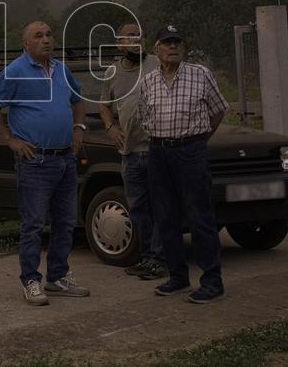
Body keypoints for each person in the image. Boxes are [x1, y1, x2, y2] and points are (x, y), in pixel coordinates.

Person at [0, 21, 91, 306]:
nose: (46, 40)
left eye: (49, 35)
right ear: (25, 44)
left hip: (65, 157)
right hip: (35, 161)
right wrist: (10, 140)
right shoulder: (16, 71)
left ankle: (57, 277)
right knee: (33, 224)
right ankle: (31, 280)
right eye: (38, 36)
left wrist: (79, 127)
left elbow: (78, 100)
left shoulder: (62, 70)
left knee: (66, 222)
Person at [140, 24, 229, 304]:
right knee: (165, 217)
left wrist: (198, 141)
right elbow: (145, 117)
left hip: (190, 151)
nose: (173, 46)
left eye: (177, 41)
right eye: (167, 42)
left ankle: (212, 281)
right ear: (156, 49)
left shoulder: (200, 74)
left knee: (200, 216)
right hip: (159, 153)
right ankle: (177, 277)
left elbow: (218, 111)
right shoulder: (149, 81)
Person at [96, 22, 165, 280]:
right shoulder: (112, 72)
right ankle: (147, 258)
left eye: (139, 36)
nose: (135, 41)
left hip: (157, 149)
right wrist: (110, 125)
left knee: (161, 207)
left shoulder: (158, 64)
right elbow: (104, 105)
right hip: (130, 152)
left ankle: (160, 259)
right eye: (129, 37)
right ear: (119, 43)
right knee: (138, 209)